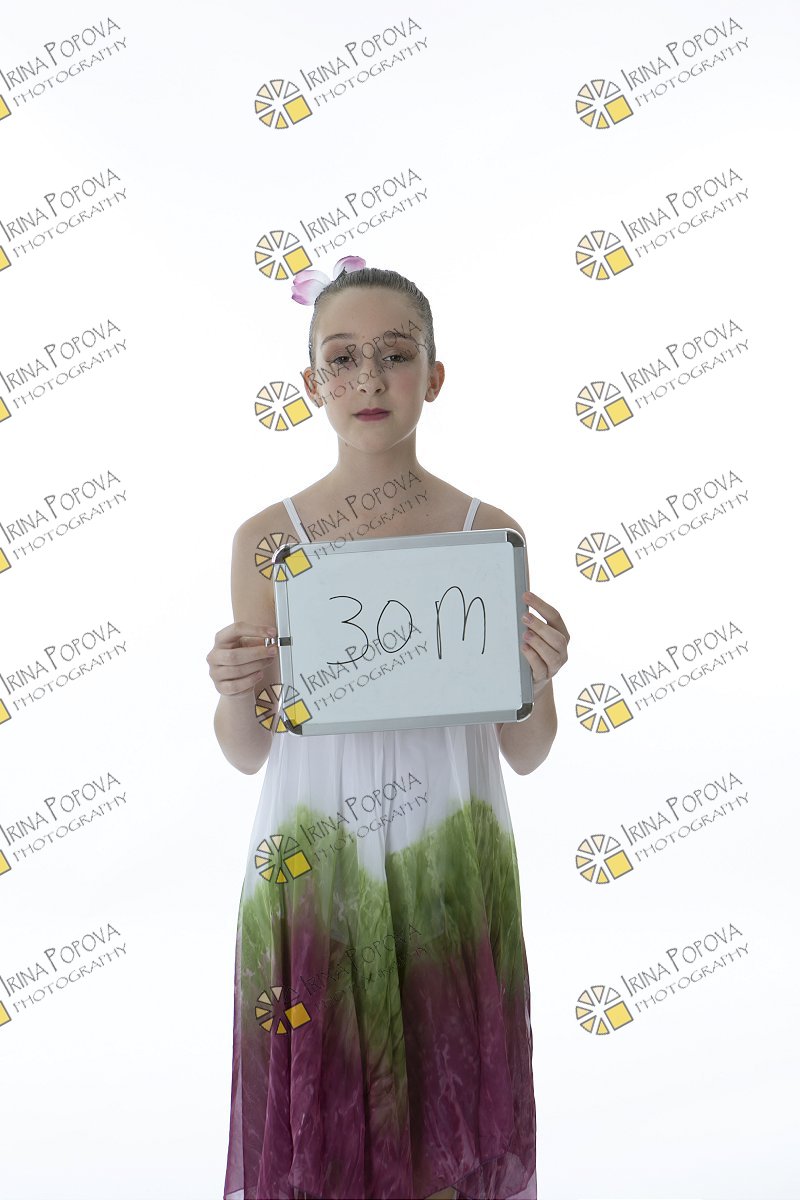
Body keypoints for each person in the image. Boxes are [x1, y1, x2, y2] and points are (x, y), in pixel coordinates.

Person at [207, 263, 570, 1200]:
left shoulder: (486, 532)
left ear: (434, 377)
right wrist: (236, 690)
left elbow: (527, 751)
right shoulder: (268, 541)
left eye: (396, 355)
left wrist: (536, 679)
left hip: (448, 858)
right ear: (311, 383)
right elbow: (248, 750)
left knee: (444, 1101)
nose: (369, 377)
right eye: (343, 358)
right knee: (327, 1112)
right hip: (318, 859)